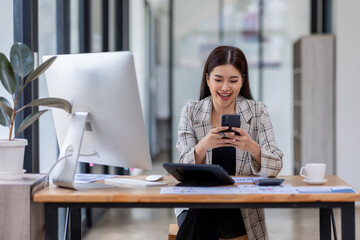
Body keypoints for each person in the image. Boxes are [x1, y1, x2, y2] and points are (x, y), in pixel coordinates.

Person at [175, 46, 283, 240]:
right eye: (218, 80)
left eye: (233, 80)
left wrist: (251, 147)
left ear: (242, 80)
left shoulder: (258, 111)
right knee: (207, 204)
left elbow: (276, 166)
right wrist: (204, 145)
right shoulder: (190, 112)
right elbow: (182, 169)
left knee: (216, 207)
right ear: (207, 79)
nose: (225, 88)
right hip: (195, 204)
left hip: (240, 206)